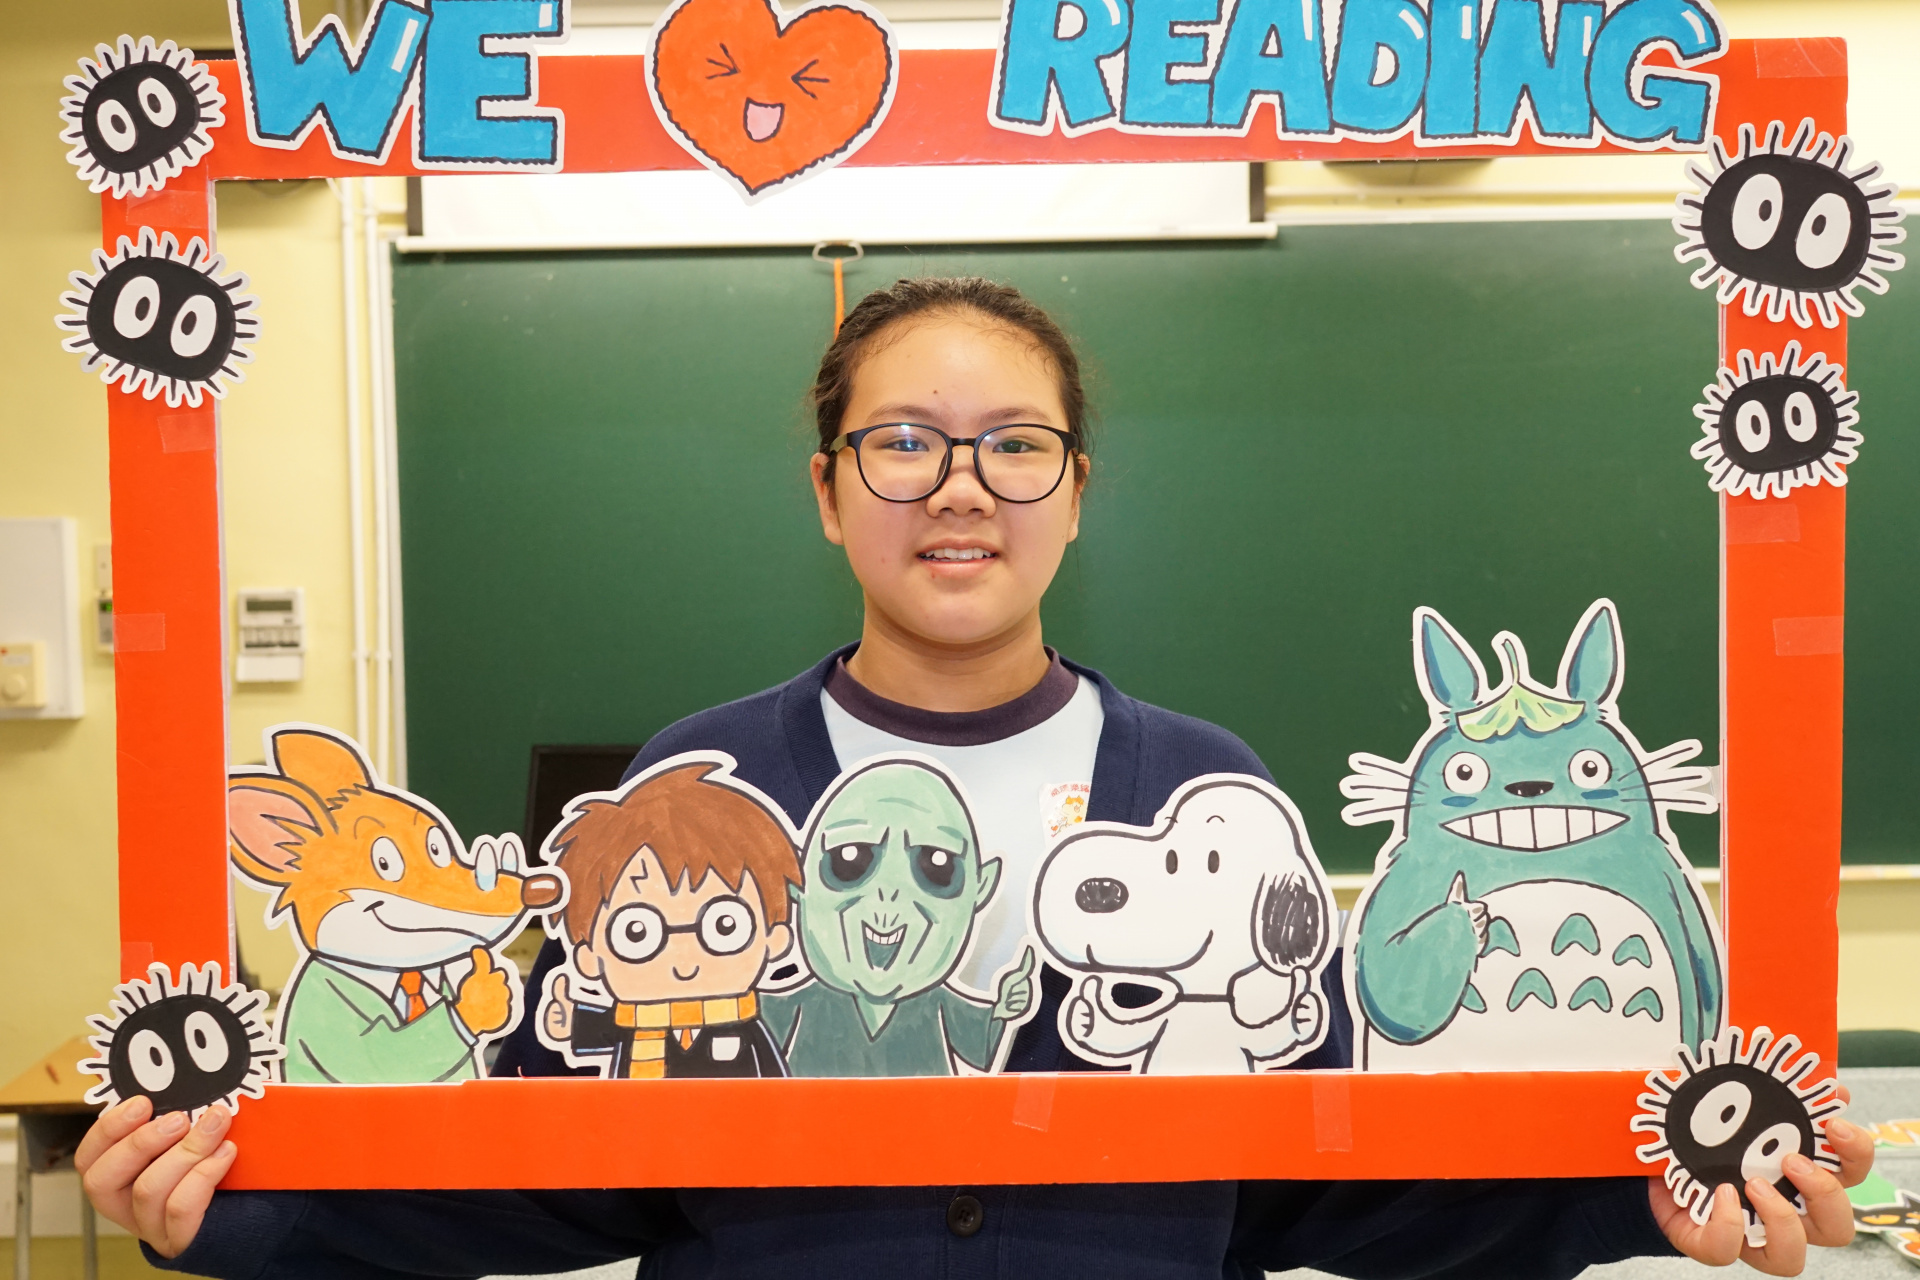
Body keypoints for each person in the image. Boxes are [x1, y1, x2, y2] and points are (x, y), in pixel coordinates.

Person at [78, 277, 1872, 1278]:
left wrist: (1628, 1187)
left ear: (1077, 492)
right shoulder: (700, 788)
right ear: (826, 490)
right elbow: (556, 1155)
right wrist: (234, 1202)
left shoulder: (1209, 797)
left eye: (1016, 446)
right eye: (903, 444)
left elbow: (1321, 1170)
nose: (959, 488)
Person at [538, 760, 801, 1080]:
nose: (684, 962)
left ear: (775, 938)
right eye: (637, 933)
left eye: (724, 926)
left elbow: (778, 1092)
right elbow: (598, 1030)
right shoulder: (630, 1022)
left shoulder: (747, 1025)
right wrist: (568, 1020)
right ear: (589, 957)